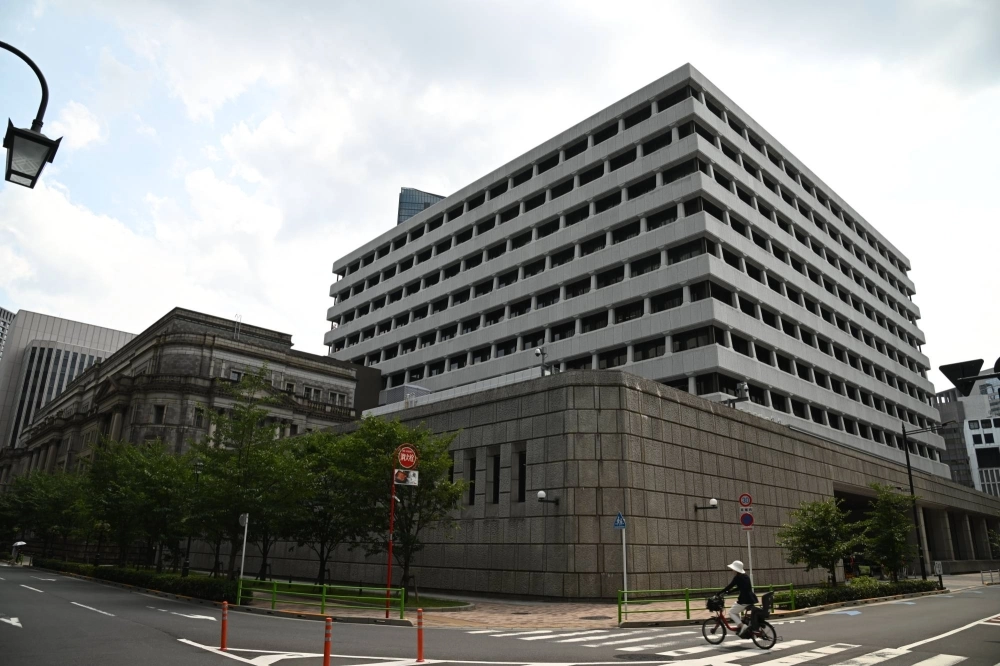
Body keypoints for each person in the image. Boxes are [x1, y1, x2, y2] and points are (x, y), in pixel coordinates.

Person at [720, 560, 757, 638]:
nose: (732, 570)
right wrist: (729, 592)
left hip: (744, 600)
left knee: (731, 613)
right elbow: (739, 587)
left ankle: (742, 626)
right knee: (735, 609)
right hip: (751, 599)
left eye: (733, 568)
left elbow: (730, 586)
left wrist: (719, 593)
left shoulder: (738, 577)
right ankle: (740, 627)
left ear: (736, 569)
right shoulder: (745, 576)